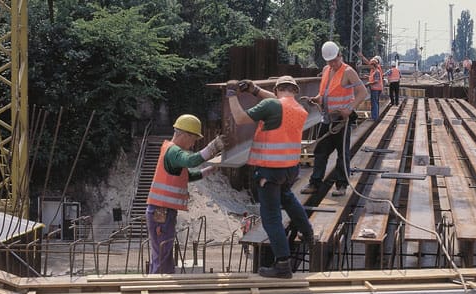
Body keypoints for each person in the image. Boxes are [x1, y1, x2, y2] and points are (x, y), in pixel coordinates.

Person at [226, 76, 315, 279]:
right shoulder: (299, 110)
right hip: (289, 169)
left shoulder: (272, 105)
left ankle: (283, 264)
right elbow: (277, 102)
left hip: (269, 170)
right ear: (295, 91)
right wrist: (255, 89)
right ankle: (307, 232)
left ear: (276, 90)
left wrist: (231, 94)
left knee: (271, 217)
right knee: (288, 198)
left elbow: (240, 119)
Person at [146, 114, 223, 274]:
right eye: (193, 138)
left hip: (162, 212)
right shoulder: (174, 152)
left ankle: (163, 287)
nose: (194, 143)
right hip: (161, 212)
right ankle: (158, 290)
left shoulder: (171, 152)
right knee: (162, 253)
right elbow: (191, 161)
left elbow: (188, 175)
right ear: (184, 134)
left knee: (164, 253)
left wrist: (209, 170)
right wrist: (213, 147)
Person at [301, 41, 367, 197]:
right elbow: (325, 93)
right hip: (328, 118)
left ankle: (342, 185)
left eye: (335, 60)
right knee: (320, 151)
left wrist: (349, 109)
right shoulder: (326, 70)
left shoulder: (348, 71)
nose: (333, 64)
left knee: (342, 153)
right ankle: (315, 182)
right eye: (330, 61)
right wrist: (316, 99)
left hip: (341, 121)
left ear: (340, 55)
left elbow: (362, 92)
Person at [358, 52, 383, 120]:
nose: (370, 65)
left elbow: (376, 80)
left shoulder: (377, 69)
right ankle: (375, 116)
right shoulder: (374, 69)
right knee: (375, 103)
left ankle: (374, 117)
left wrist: (368, 83)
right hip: (376, 88)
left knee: (374, 103)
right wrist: (368, 77)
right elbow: (373, 77)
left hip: (376, 88)